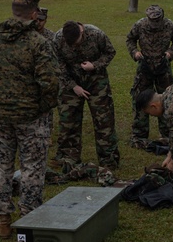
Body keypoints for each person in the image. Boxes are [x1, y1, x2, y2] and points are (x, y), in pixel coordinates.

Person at [0, 0, 60, 238]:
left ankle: (3, 219)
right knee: (32, 168)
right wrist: (42, 107)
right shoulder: (37, 42)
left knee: (2, 167)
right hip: (31, 117)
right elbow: (51, 82)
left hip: (0, 116)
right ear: (33, 13)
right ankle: (28, 218)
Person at [52, 21, 121, 170]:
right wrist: (73, 86)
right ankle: (67, 158)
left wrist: (94, 65)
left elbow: (110, 52)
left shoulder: (96, 34)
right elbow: (58, 65)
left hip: (96, 80)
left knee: (104, 121)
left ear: (81, 32)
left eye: (76, 43)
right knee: (68, 120)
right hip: (71, 81)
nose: (73, 47)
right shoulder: (58, 39)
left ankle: (108, 159)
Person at [126, 5, 173, 146]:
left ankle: (167, 134)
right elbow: (130, 39)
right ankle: (139, 134)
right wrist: (135, 53)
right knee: (140, 98)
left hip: (163, 67)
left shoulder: (170, 25)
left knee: (166, 98)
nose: (155, 25)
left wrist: (170, 54)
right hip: (144, 66)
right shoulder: (140, 25)